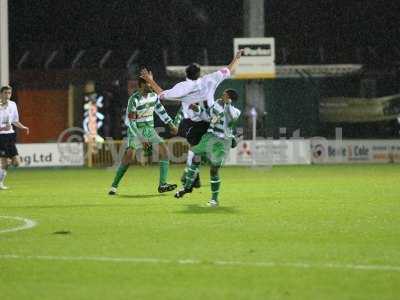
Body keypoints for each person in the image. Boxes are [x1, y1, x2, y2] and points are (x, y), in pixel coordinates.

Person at [140, 50, 243, 189]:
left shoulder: (182, 87)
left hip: (193, 122)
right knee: (215, 134)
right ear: (199, 73)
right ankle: (230, 139)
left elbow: (161, 93)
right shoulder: (210, 79)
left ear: (186, 74)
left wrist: (149, 80)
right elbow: (229, 69)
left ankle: (193, 177)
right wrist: (237, 58)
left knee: (194, 150)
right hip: (211, 119)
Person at [108, 77, 178, 195]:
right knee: (129, 156)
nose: (151, 86)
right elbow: (131, 122)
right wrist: (141, 138)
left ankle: (162, 184)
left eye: (151, 84)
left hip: (149, 129)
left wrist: (171, 124)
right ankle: (114, 185)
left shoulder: (153, 97)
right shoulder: (134, 100)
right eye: (148, 84)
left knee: (164, 151)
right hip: (136, 129)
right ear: (141, 85)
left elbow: (161, 111)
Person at [174, 89, 241, 207]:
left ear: (230, 98)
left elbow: (230, 118)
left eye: (225, 95)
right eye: (223, 94)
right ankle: (187, 187)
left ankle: (214, 200)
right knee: (195, 157)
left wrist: (227, 104)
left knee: (214, 170)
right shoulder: (216, 104)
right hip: (209, 137)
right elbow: (207, 115)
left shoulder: (235, 111)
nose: (222, 96)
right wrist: (197, 109)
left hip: (222, 142)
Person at [0, 85, 30, 190]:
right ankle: (0, 183)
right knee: (5, 161)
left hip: (10, 135)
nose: (8, 95)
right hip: (1, 136)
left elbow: (14, 121)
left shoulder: (13, 105)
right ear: (1, 94)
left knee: (16, 162)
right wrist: (2, 129)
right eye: (5, 93)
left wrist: (23, 127)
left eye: (9, 93)